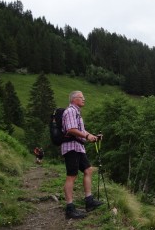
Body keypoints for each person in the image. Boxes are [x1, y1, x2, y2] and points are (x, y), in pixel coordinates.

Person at [61, 91, 103, 219]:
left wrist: (93, 136)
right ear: (74, 99)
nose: (84, 99)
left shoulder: (77, 113)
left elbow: (82, 130)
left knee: (88, 170)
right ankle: (70, 208)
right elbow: (71, 129)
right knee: (71, 176)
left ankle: (89, 201)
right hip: (71, 147)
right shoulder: (70, 111)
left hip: (78, 147)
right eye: (81, 97)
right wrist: (86, 136)